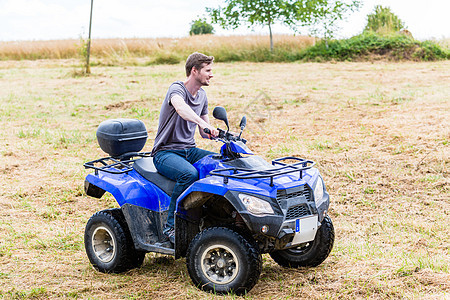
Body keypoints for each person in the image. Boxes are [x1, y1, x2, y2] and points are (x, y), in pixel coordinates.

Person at [151, 52, 219, 245]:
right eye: (208, 70)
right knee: (188, 174)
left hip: (189, 150)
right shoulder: (177, 89)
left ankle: (210, 219)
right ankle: (171, 227)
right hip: (165, 152)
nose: (211, 74)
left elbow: (204, 132)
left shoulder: (202, 95)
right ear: (194, 70)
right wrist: (201, 122)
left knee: (221, 165)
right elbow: (181, 109)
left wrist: (216, 132)